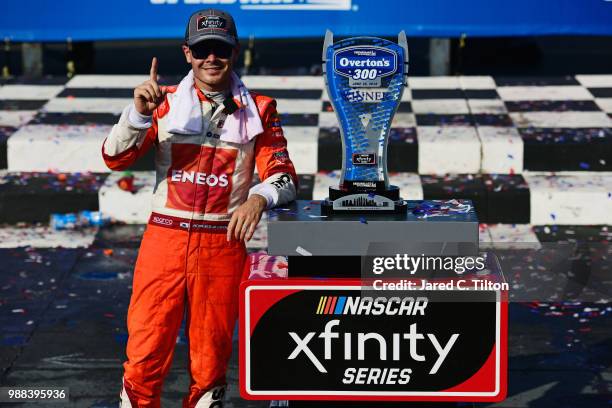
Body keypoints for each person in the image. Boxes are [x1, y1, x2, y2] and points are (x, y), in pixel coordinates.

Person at [101, 8, 297, 408]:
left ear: (235, 52)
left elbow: (285, 176)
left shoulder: (259, 110)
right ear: (187, 52)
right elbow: (114, 158)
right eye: (203, 49)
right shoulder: (162, 102)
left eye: (220, 49)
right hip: (164, 242)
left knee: (210, 369)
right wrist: (138, 113)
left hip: (221, 246)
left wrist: (258, 198)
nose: (212, 58)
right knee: (143, 357)